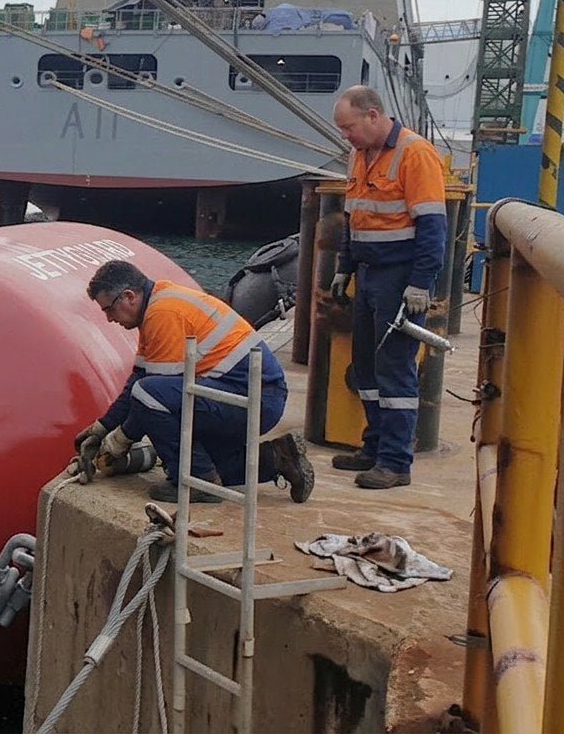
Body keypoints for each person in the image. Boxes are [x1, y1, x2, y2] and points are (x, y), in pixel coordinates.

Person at [75, 259, 314, 504]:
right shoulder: (159, 303)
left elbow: (147, 398)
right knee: (202, 457)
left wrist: (117, 442)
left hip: (253, 399)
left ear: (129, 296)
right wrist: (101, 428)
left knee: (153, 401)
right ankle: (278, 458)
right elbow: (140, 379)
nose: (109, 319)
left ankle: (202, 482)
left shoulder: (163, 313)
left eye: (109, 309)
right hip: (250, 395)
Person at [329, 85, 447, 488]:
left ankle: (396, 462)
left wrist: (420, 284)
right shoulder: (359, 155)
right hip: (369, 273)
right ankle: (375, 446)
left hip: (399, 277)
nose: (347, 136)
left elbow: (433, 226)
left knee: (395, 369)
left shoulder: (415, 154)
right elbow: (353, 216)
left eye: (350, 128)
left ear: (373, 115)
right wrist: (344, 268)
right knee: (366, 365)